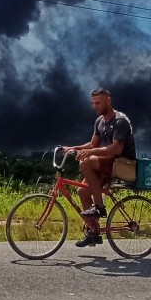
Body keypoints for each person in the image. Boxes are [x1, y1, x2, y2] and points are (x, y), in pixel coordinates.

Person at [63, 87, 136, 247]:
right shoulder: (100, 121)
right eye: (93, 103)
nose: (95, 106)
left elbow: (117, 149)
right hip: (106, 162)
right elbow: (93, 144)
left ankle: (100, 207)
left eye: (98, 103)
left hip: (122, 163)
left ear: (108, 101)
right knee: (82, 190)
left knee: (86, 161)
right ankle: (94, 232)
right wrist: (73, 148)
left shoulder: (120, 121)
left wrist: (90, 153)